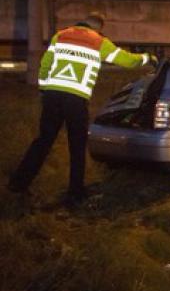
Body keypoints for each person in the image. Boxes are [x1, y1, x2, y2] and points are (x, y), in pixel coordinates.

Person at [7, 12, 157, 206]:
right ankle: (75, 193)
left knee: (43, 141)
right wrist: (147, 57)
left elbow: (45, 64)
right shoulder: (99, 42)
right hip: (76, 100)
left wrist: (44, 89)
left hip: (52, 96)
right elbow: (127, 60)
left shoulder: (60, 35)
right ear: (99, 28)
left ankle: (18, 184)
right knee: (77, 146)